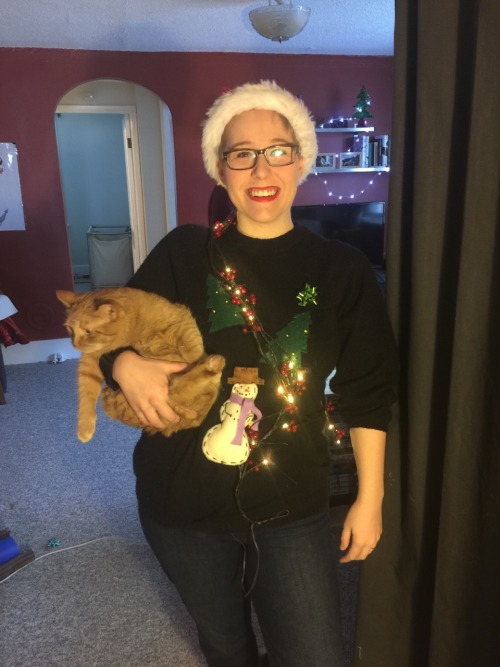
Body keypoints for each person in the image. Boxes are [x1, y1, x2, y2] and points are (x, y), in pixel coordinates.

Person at [101, 81, 399, 667]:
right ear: (220, 168)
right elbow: (106, 325)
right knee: (226, 648)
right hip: (179, 503)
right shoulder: (185, 253)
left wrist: (371, 498)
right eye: (242, 153)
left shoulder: (342, 269)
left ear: (303, 159)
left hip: (292, 505)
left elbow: (368, 390)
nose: (261, 168)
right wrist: (123, 362)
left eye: (279, 150)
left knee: (316, 655)